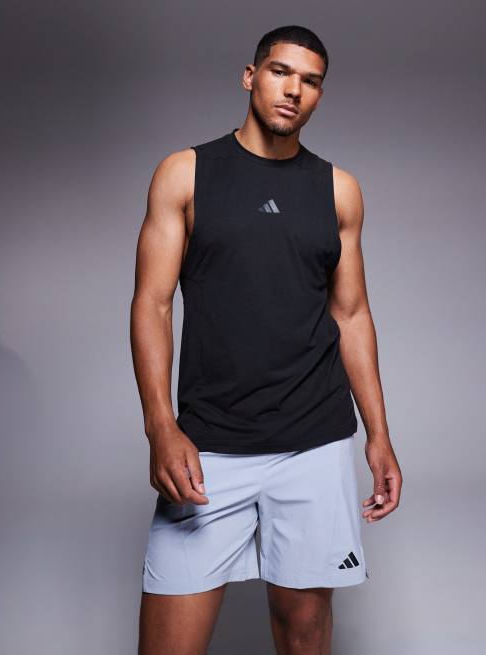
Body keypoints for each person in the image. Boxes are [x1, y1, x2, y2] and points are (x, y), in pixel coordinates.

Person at [130, 24, 402, 655]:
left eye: (310, 81)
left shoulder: (338, 189)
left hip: (314, 443)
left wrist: (379, 435)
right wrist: (160, 426)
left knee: (304, 636)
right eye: (281, 72)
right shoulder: (185, 174)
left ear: (320, 95)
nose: (294, 90)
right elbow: (152, 304)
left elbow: (352, 315)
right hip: (209, 445)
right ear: (250, 77)